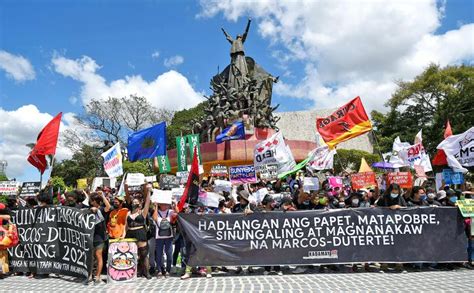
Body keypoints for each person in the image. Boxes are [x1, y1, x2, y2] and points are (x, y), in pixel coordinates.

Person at [125, 184, 152, 279]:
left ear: (139, 204)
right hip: (130, 234)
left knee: (143, 254)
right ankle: (135, 271)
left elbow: (148, 203)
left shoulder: (142, 212)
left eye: (136, 202)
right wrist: (124, 235)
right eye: (133, 201)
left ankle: (146, 272)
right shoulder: (128, 213)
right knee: (132, 254)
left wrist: (148, 191)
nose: (134, 202)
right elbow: (126, 226)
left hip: (140, 233)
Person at [85, 192, 111, 285]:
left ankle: (98, 277)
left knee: (98, 256)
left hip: (100, 237)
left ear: (94, 201)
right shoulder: (88, 210)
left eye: (91, 200)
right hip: (90, 236)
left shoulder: (102, 210)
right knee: (90, 258)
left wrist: (103, 195)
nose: (90, 202)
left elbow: (109, 207)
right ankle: (89, 276)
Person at [259, 195, 283, 276]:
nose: (274, 203)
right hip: (265, 235)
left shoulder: (276, 210)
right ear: (268, 203)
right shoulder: (260, 211)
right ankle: (267, 268)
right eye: (272, 202)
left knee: (276, 252)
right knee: (267, 252)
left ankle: (277, 268)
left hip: (275, 234)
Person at [152, 201, 176, 278]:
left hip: (169, 237)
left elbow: (177, 214)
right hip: (159, 237)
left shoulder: (170, 211)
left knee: (169, 254)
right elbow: (155, 219)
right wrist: (155, 207)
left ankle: (168, 270)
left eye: (166, 203)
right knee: (159, 254)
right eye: (163, 203)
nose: (165, 205)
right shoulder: (157, 212)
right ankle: (159, 270)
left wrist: (174, 205)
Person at [0, 203, 11, 279]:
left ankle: (2, 271)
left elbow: (8, 216)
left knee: (2, 253)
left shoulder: (1, 206)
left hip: (1, 233)